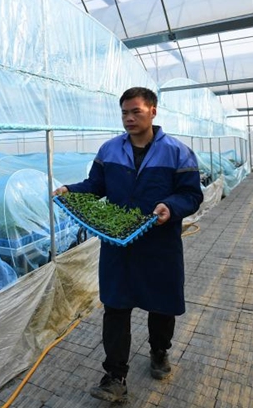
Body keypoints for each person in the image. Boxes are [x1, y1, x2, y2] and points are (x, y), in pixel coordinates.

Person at [53, 87, 203, 402]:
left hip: (160, 244)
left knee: (162, 304)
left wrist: (170, 207)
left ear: (153, 111)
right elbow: (95, 185)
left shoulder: (177, 152)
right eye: (124, 112)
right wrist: (71, 190)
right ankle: (114, 376)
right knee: (116, 306)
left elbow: (191, 195)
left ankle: (159, 351)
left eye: (136, 111)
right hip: (118, 245)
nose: (129, 118)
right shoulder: (109, 150)